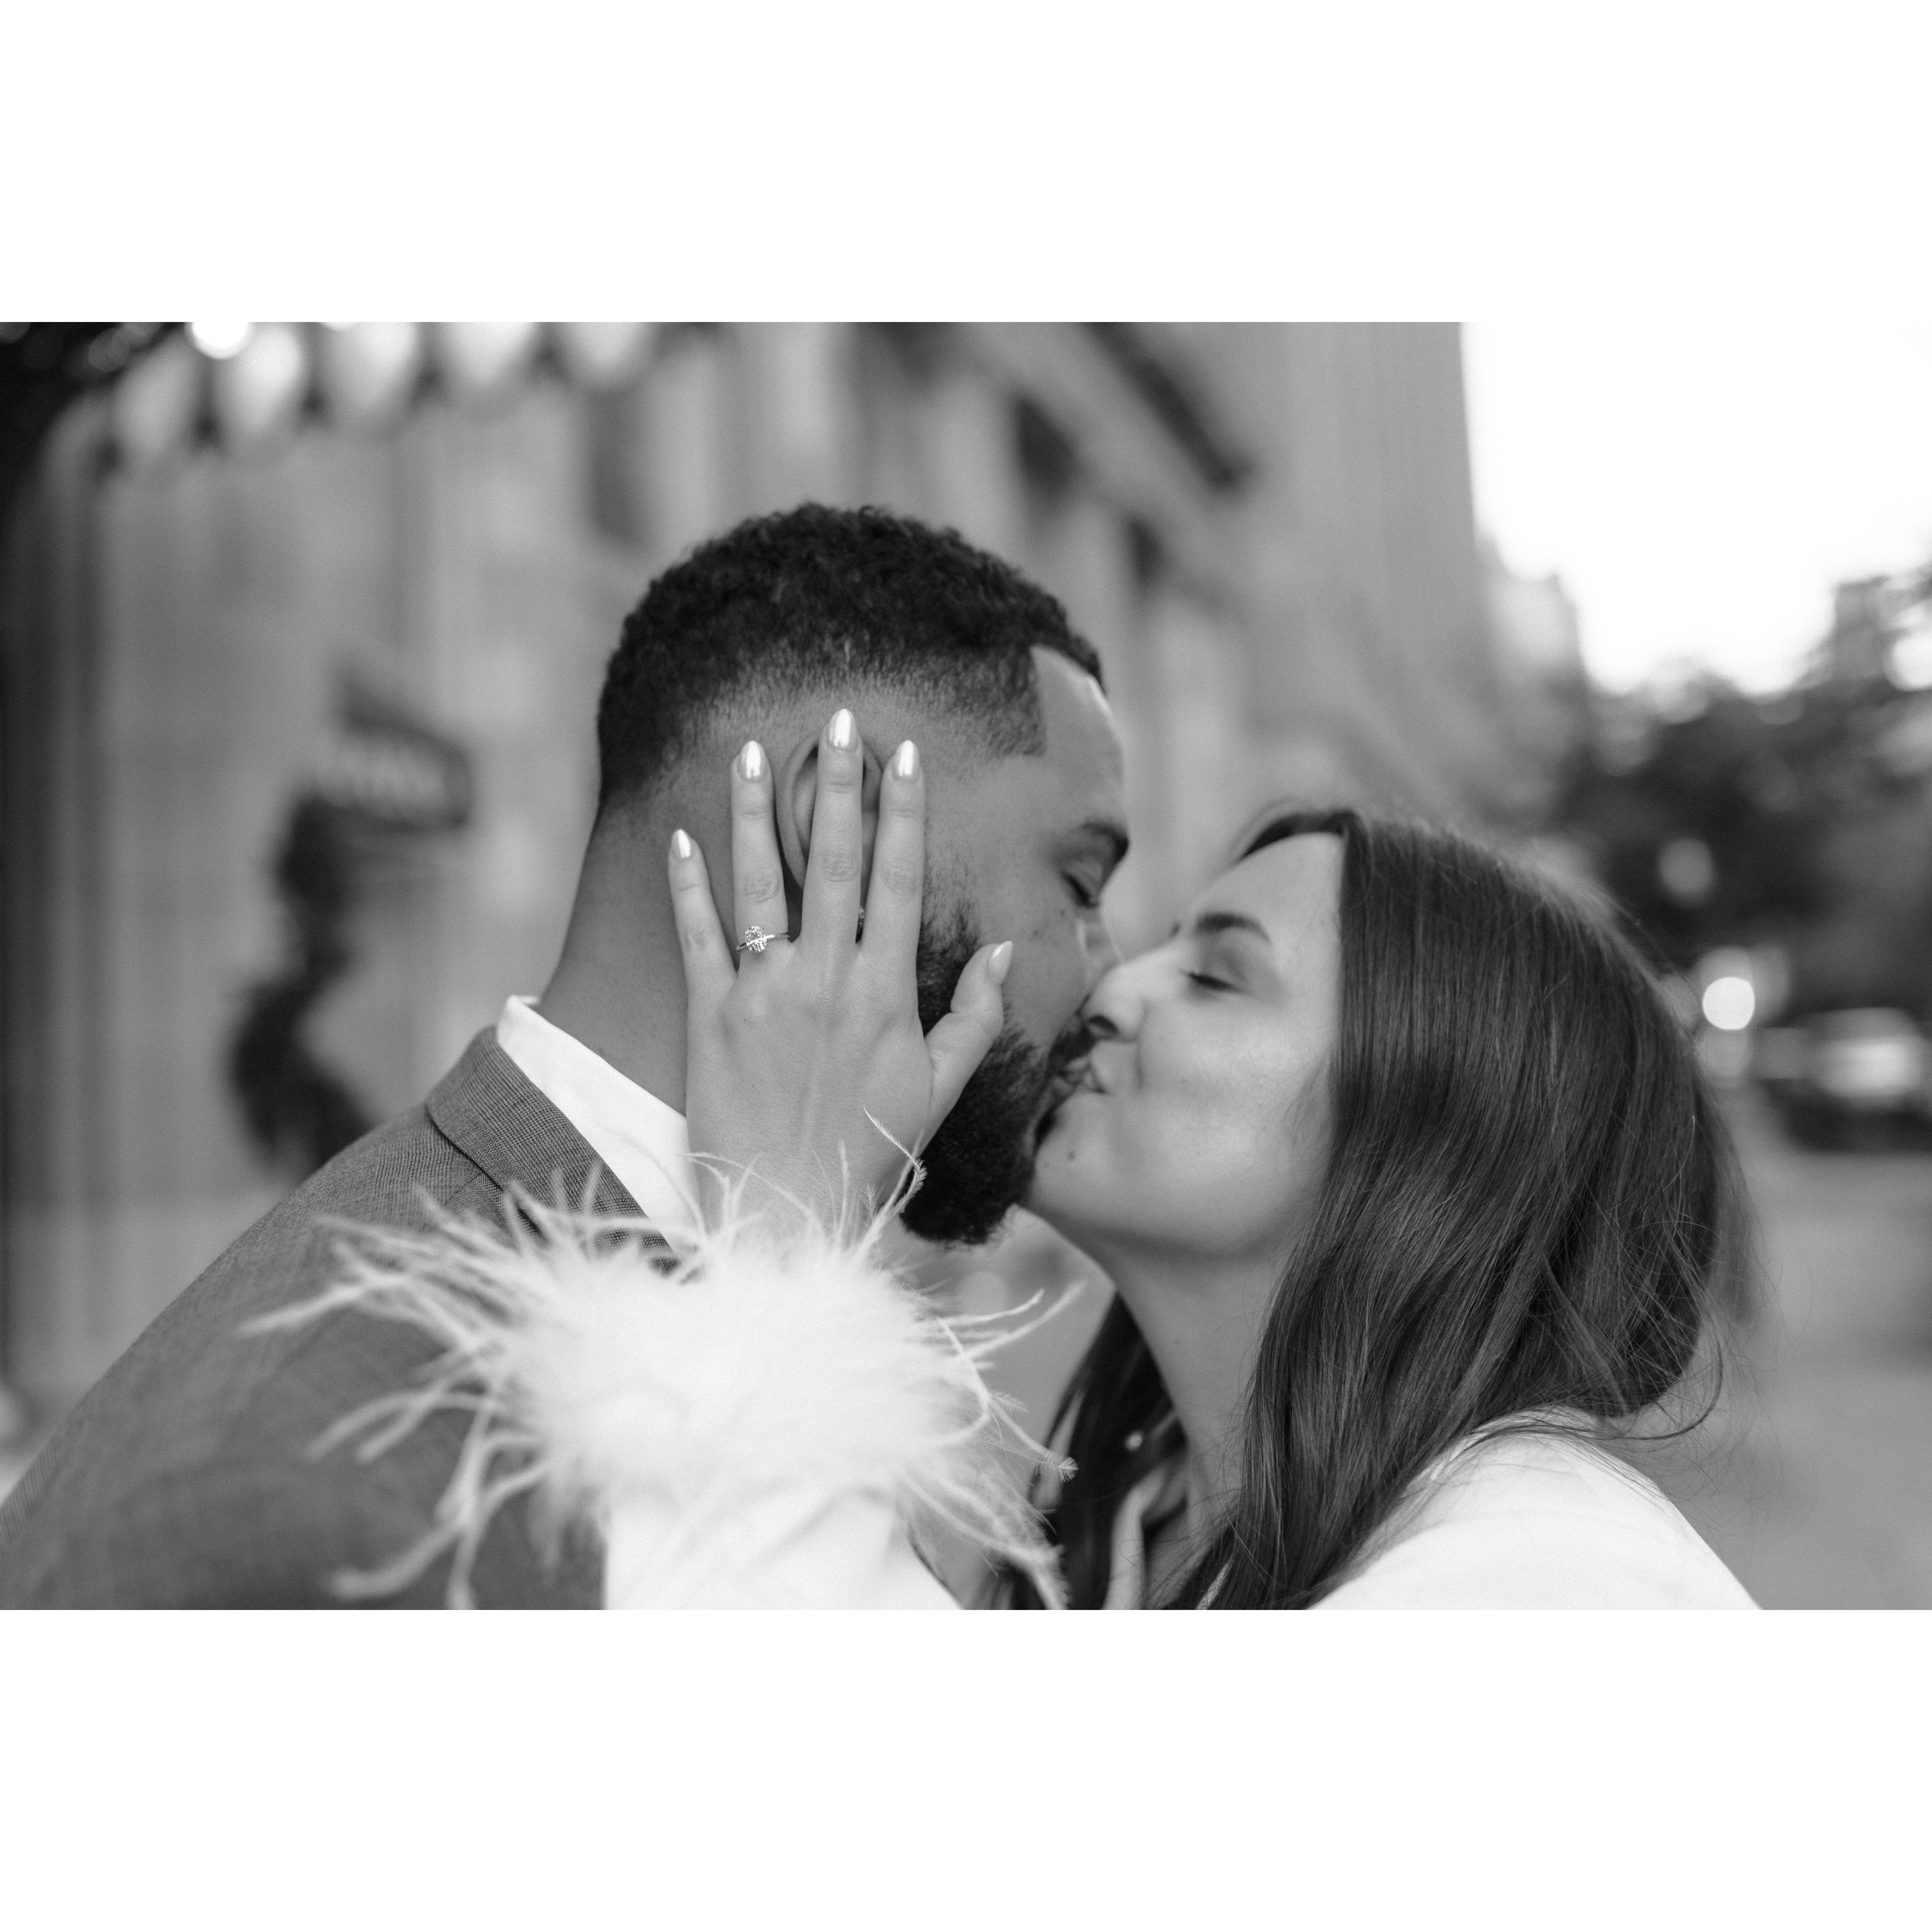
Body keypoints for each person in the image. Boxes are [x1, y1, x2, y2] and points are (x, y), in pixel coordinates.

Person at [0, 505, 1129, 1609]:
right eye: (1080, 884)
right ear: (840, 824)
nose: (1110, 970)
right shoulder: (311, 1506)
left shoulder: (656, 1287)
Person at [270, 781, 1757, 1611]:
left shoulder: (1554, 1593)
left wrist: (781, 1228)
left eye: (1219, 975)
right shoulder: (1154, 1527)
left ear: (1434, 1131)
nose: (1112, 987)